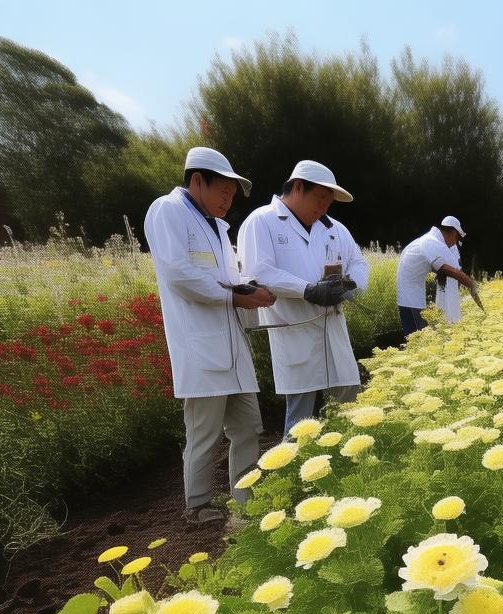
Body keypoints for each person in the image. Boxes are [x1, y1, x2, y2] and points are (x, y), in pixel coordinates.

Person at [143, 146, 274, 525]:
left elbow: (227, 280)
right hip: (200, 350)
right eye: (224, 191)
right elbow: (180, 275)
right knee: (204, 433)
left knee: (248, 425)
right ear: (197, 180)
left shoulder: (217, 227)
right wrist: (236, 296)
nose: (228, 201)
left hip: (232, 348)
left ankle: (246, 501)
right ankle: (197, 505)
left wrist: (250, 290)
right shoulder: (167, 211)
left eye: (232, 196)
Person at [238, 160, 368, 435]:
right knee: (301, 417)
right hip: (294, 329)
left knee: (348, 402)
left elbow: (358, 262)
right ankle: (294, 475)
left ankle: (346, 468)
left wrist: (349, 285)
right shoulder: (262, 221)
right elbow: (258, 271)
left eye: (329, 202)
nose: (323, 207)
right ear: (298, 187)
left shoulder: (335, 229)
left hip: (332, 329)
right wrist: (308, 290)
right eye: (320, 198)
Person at [396, 215, 479, 338]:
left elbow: (437, 267)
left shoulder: (431, 241)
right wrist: (470, 283)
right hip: (410, 299)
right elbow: (446, 269)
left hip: (411, 295)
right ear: (453, 233)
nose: (454, 244)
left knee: (420, 338)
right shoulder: (431, 242)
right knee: (418, 340)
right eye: (457, 239)